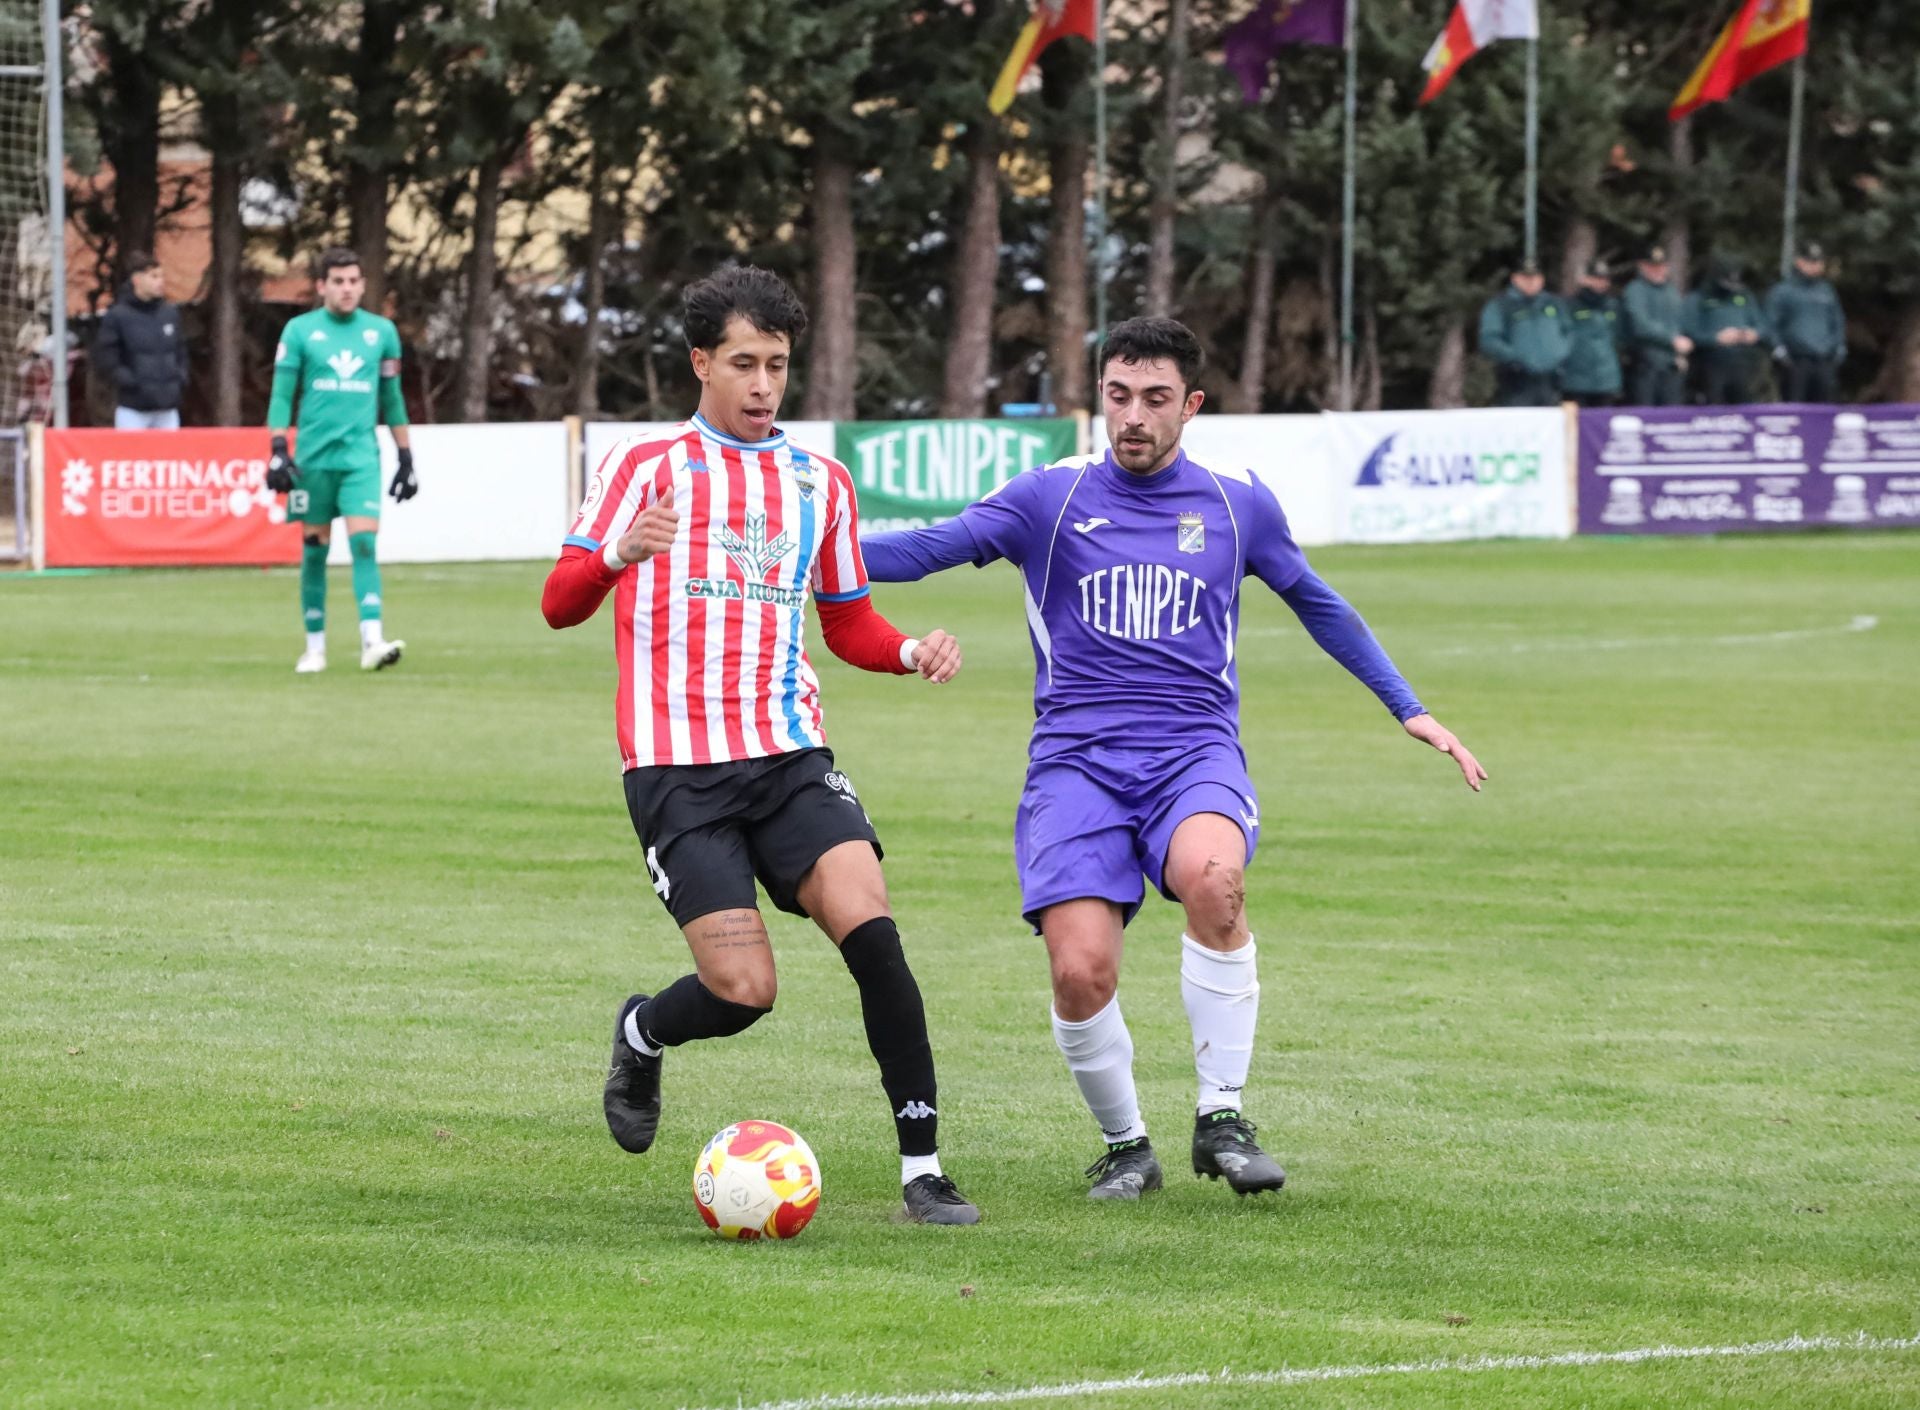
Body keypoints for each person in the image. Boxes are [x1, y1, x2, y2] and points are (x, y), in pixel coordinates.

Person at [862, 317, 1486, 1202]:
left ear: (1191, 405)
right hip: (1075, 764)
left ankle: (1222, 1117)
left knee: (1213, 880)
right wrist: (797, 550)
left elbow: (1319, 602)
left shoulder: (1236, 506)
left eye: (1155, 399)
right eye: (1118, 396)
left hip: (1194, 754)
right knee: (1080, 970)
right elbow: (929, 550)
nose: (1134, 417)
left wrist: (1410, 709)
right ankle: (1128, 1147)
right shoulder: (1050, 499)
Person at [540, 265, 982, 1227]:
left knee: (876, 937)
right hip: (677, 773)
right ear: (700, 363)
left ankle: (923, 1170)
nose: (763, 384)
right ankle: (642, 1030)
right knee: (744, 992)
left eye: (777, 364)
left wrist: (907, 650)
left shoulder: (820, 483)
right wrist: (618, 556)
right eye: (743, 363)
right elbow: (558, 603)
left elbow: (849, 622)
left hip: (790, 758)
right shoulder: (643, 469)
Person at [265, 247, 415, 674]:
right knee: (314, 551)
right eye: (338, 281)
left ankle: (372, 640)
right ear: (321, 286)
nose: (347, 289)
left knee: (364, 544)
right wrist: (278, 448)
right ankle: (315, 648)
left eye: (353, 281)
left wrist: (406, 455)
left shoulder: (381, 332)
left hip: (360, 460)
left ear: (363, 284)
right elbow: (281, 395)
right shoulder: (299, 332)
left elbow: (392, 397)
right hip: (311, 462)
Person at [93, 251, 187, 429]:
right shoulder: (117, 317)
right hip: (133, 410)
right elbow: (107, 359)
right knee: (131, 456)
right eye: (154, 276)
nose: (160, 281)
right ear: (137, 280)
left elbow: (180, 351)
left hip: (167, 409)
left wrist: (179, 378)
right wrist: (133, 383)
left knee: (168, 456)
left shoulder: (169, 314)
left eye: (161, 276)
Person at [1477, 261, 1571, 407]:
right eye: (1526, 278)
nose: (1531, 282)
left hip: (1550, 378)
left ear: (1542, 279)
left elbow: (1568, 332)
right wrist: (1516, 357)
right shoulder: (1501, 305)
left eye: (1535, 278)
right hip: (1516, 378)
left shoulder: (1553, 303)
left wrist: (1559, 354)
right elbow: (1490, 339)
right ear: (1515, 279)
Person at [1683, 255, 1772, 406]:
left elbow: (1762, 326)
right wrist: (1715, 338)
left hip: (1743, 362)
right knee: (1714, 407)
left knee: (1745, 406)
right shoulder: (1698, 298)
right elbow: (1688, 332)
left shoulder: (1744, 296)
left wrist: (1753, 334)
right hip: (1711, 363)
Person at [1766, 242, 1846, 403]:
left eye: (1819, 261)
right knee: (1795, 406)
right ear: (1799, 262)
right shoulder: (1783, 291)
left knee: (1826, 406)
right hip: (1795, 359)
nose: (1816, 266)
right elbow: (1771, 323)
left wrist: (1839, 345)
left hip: (1824, 359)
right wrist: (1778, 349)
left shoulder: (1826, 290)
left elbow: (1837, 320)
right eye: (1811, 261)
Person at [1621, 244, 1691, 407]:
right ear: (1642, 267)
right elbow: (1640, 325)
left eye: (1661, 266)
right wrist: (1672, 339)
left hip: (1671, 364)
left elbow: (1678, 322)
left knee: (1672, 412)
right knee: (1645, 411)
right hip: (1645, 363)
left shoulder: (1671, 291)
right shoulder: (1635, 290)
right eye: (1652, 266)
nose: (1657, 270)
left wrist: (1680, 352)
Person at [1561, 259, 1624, 408]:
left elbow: (1620, 336)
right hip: (1576, 378)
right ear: (1584, 279)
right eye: (1595, 278)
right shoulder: (1570, 305)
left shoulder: (1613, 305)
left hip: (1606, 379)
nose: (1600, 283)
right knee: (1576, 425)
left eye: (1604, 279)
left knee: (1602, 425)